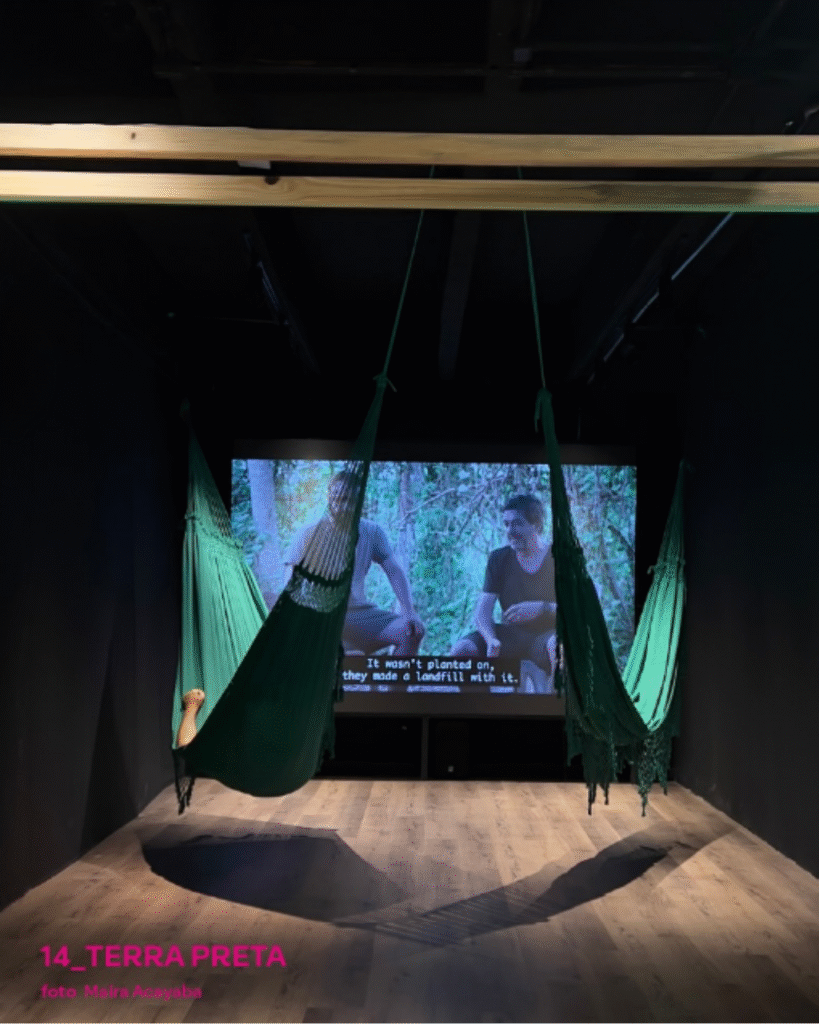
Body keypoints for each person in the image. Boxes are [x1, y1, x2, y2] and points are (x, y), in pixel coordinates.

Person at [286, 471, 425, 657]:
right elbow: (290, 581)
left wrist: (409, 611)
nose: (345, 506)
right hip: (321, 616)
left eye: (351, 500)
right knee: (349, 656)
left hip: (360, 615)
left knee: (410, 632)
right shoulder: (308, 534)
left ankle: (393, 676)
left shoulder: (372, 531)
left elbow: (394, 570)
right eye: (339, 499)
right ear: (329, 498)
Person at [450, 494, 557, 674]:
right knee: (462, 650)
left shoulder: (558, 557)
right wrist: (491, 639)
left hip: (547, 637)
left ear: (537, 525)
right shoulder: (499, 558)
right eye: (506, 524)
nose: (510, 531)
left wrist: (543, 608)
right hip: (511, 637)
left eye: (517, 524)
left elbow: (580, 611)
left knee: (558, 646)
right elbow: (482, 612)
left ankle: (554, 692)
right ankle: (480, 693)